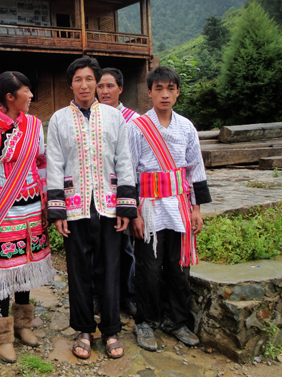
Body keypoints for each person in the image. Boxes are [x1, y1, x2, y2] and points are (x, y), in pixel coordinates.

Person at [46, 56, 137, 360]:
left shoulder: (114, 117)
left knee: (111, 267)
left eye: (89, 80)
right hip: (75, 207)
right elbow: (55, 164)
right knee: (78, 270)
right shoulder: (59, 119)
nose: (84, 85)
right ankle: (84, 329)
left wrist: (126, 206)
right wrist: (57, 210)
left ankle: (111, 329)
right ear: (70, 85)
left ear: (97, 84)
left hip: (109, 205)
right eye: (78, 80)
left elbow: (124, 160)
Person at [127, 66, 211, 352]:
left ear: (177, 93)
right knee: (148, 270)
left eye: (170, 89)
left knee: (179, 268)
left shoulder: (186, 127)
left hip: (180, 207)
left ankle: (176, 321)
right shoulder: (137, 127)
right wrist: (134, 213)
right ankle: (146, 321)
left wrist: (196, 209)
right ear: (149, 92)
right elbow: (128, 171)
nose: (165, 94)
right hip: (149, 209)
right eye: (159, 89)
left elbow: (195, 168)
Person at [0, 72, 54, 363]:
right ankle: (3, 334)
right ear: (10, 97)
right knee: (4, 270)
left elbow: (41, 163)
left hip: (31, 207)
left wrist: (47, 200)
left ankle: (23, 324)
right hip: (2, 208)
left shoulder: (34, 125)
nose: (31, 96)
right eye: (26, 91)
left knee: (25, 266)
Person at [96, 67, 139, 317]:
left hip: (123, 193)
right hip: (97, 194)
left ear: (120, 89)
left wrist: (132, 200)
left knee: (125, 247)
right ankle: (98, 297)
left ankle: (127, 295)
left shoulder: (134, 121)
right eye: (100, 86)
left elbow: (134, 163)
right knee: (97, 248)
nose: (104, 91)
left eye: (110, 86)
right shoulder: (91, 118)